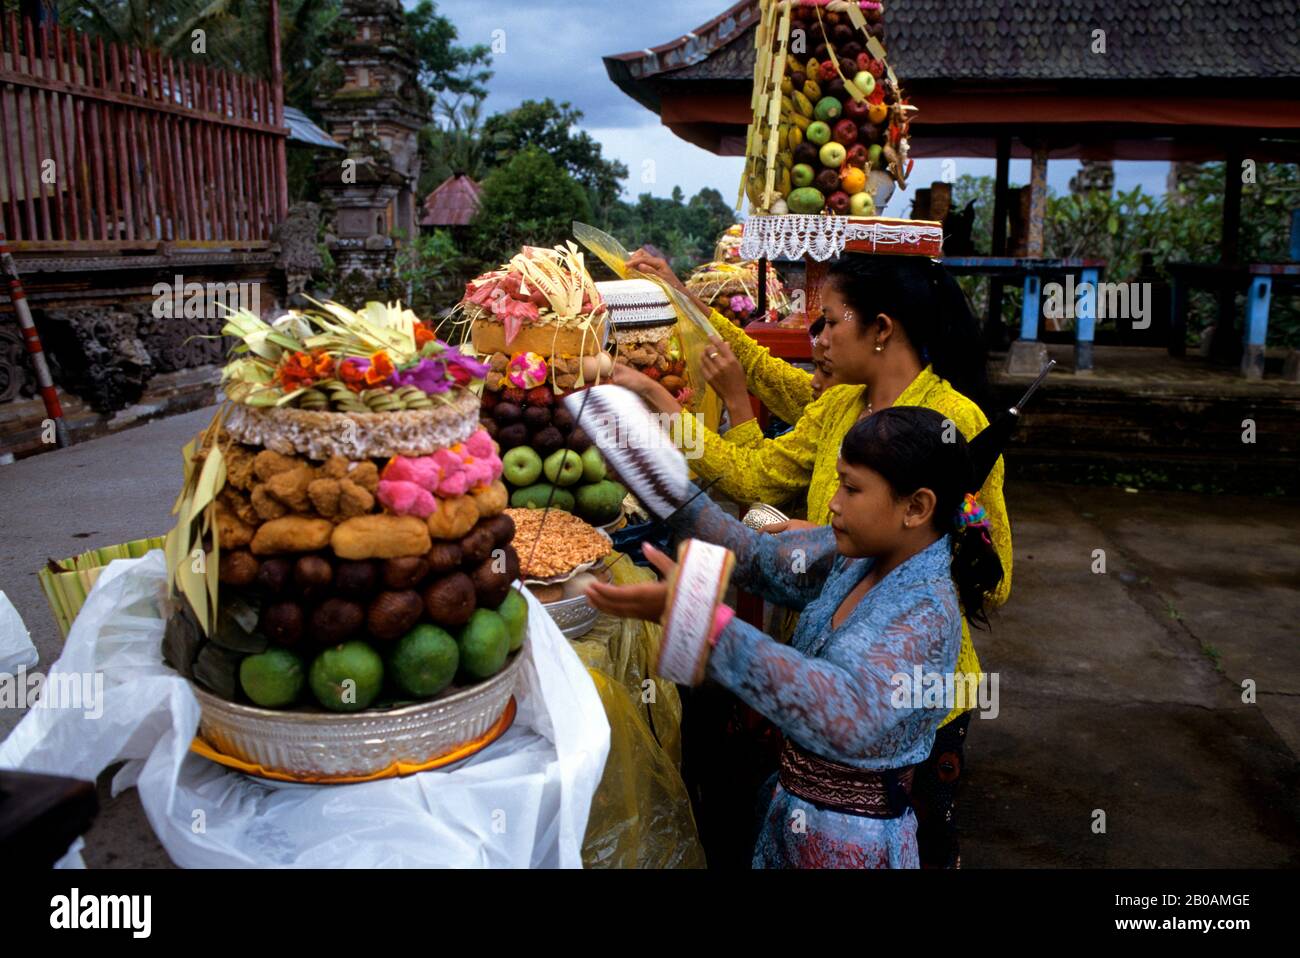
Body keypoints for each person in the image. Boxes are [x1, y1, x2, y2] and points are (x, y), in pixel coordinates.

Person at [623, 249, 1013, 867]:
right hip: (825, 727)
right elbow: (753, 490)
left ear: (880, 329)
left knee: (920, 842)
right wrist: (647, 439)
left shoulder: (953, 425)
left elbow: (993, 580)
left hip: (915, 697)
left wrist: (885, 549)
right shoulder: (839, 408)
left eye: (830, 322)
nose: (820, 340)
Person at [585, 407, 1005, 868]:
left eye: (852, 488)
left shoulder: (926, 613)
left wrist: (706, 625)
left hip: (851, 848)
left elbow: (836, 707)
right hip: (793, 816)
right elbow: (757, 557)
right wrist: (660, 481)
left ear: (917, 507)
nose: (834, 503)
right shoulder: (859, 556)